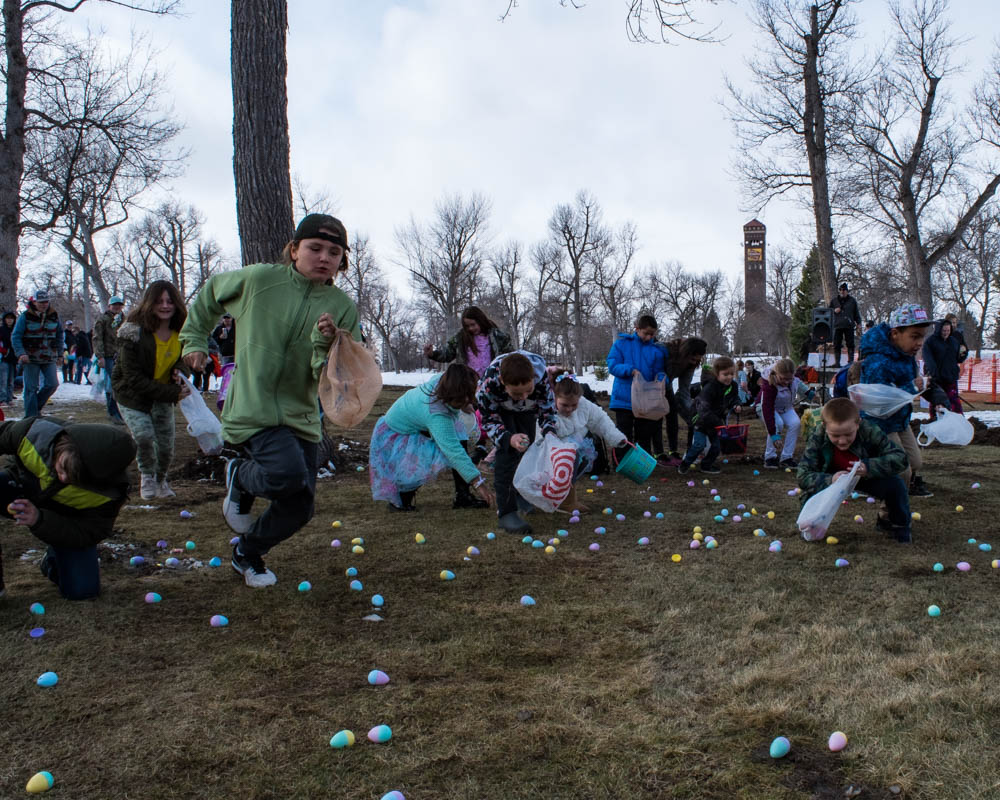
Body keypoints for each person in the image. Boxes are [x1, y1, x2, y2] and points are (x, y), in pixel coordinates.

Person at [180, 213, 362, 589]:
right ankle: (240, 478)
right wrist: (195, 340)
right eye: (314, 248)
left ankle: (246, 553)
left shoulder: (342, 307)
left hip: (303, 415)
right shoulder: (259, 280)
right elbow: (212, 292)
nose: (324, 257)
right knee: (286, 476)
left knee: (300, 507)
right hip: (253, 409)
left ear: (342, 260)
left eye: (334, 251)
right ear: (294, 250)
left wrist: (326, 344)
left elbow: (336, 376)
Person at [0, 417, 136, 600]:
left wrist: (39, 519)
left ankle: (52, 561)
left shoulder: (110, 493)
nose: (63, 478)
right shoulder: (34, 433)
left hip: (63, 516)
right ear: (62, 446)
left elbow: (89, 532)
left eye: (75, 478)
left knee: (82, 590)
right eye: (63, 467)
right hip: (15, 487)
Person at [370, 364, 495, 512]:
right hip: (398, 431)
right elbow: (454, 452)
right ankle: (400, 501)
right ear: (451, 395)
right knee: (425, 458)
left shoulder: (443, 381)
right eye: (463, 398)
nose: (468, 400)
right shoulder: (436, 414)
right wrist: (478, 482)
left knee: (459, 437)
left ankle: (463, 496)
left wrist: (463, 405)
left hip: (414, 422)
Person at [112, 281, 190, 502]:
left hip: (163, 394)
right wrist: (173, 393)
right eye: (159, 301)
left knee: (165, 445)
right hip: (132, 395)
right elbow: (133, 379)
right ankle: (147, 476)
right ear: (149, 303)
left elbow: (184, 359)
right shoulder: (133, 333)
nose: (165, 306)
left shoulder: (182, 330)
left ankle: (161, 479)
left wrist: (180, 371)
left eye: (169, 301)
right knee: (145, 436)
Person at [797, 397, 911, 543]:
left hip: (865, 476)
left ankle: (898, 525)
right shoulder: (817, 437)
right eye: (835, 435)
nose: (842, 441)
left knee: (896, 485)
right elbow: (803, 475)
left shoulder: (870, 431)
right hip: (832, 479)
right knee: (811, 491)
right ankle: (810, 523)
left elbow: (901, 458)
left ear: (858, 424)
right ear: (825, 427)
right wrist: (830, 479)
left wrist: (869, 467)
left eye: (848, 434)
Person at [859, 304, 944, 497]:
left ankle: (889, 485)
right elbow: (880, 401)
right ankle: (889, 513)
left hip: (899, 420)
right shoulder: (877, 362)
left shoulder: (906, 357)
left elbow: (915, 383)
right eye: (915, 336)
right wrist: (914, 387)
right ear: (896, 333)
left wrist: (936, 396)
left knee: (915, 463)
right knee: (901, 469)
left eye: (922, 336)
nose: (920, 342)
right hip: (878, 423)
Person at [476, 350, 558, 536]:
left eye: (528, 391)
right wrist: (507, 438)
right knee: (508, 454)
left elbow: (547, 409)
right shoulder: (488, 385)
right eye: (516, 393)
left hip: (527, 412)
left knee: (526, 449)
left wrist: (549, 432)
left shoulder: (541, 378)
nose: (522, 396)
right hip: (501, 410)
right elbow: (488, 419)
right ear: (503, 382)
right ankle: (506, 512)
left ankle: (522, 494)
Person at [546, 370, 626, 512]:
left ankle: (566, 497)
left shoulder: (584, 404)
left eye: (574, 405)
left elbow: (600, 419)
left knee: (577, 464)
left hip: (576, 444)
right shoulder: (546, 407)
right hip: (550, 448)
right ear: (555, 396)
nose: (570, 409)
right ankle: (563, 499)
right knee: (567, 464)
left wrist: (616, 437)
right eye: (564, 405)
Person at [606, 314, 668, 457]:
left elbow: (659, 371)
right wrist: (630, 370)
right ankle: (621, 462)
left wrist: (661, 379)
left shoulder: (656, 351)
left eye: (652, 334)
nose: (649, 337)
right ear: (637, 328)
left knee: (644, 434)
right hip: (624, 399)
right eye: (646, 333)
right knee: (623, 433)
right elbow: (612, 365)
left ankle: (641, 462)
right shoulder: (621, 344)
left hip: (644, 401)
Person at [677, 356, 741, 475]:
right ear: (717, 374)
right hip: (701, 421)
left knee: (717, 446)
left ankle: (706, 465)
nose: (729, 377)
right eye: (725, 374)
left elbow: (734, 397)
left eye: (732, 374)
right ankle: (685, 463)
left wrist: (736, 404)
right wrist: (718, 422)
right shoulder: (710, 388)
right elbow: (704, 410)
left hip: (716, 421)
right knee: (699, 445)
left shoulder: (733, 386)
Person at [655, 336, 707, 463]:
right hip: (652, 387)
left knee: (672, 416)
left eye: (698, 360)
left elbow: (684, 389)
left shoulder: (690, 365)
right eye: (693, 358)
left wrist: (692, 411)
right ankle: (659, 453)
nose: (694, 362)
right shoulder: (665, 350)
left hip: (667, 388)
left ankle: (673, 451)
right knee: (656, 419)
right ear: (686, 353)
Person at [12, 290, 63, 418]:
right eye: (40, 302)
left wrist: (60, 354)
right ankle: (30, 417)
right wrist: (21, 353)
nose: (44, 304)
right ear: (34, 302)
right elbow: (16, 336)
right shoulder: (25, 316)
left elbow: (60, 335)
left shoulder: (54, 316)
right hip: (30, 358)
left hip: (49, 356)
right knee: (31, 388)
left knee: (52, 384)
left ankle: (36, 408)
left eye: (46, 301)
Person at [758, 357, 814, 469]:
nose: (786, 382)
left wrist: (808, 393)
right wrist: (774, 434)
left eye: (789, 379)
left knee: (795, 423)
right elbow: (767, 409)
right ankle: (770, 457)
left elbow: (798, 384)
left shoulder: (793, 379)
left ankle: (787, 457)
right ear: (776, 374)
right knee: (777, 423)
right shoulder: (769, 385)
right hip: (766, 408)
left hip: (786, 408)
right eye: (783, 379)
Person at [423, 306, 512, 377]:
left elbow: (510, 356)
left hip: (492, 381)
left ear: (481, 321)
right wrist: (432, 354)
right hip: (468, 382)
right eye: (467, 326)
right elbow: (447, 354)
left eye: (473, 325)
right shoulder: (460, 338)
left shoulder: (498, 336)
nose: (470, 328)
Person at [923, 318, 967, 416]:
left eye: (948, 330)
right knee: (938, 401)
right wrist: (934, 374)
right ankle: (935, 420)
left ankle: (958, 420)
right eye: (944, 331)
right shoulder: (930, 342)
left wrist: (963, 354)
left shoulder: (954, 342)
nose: (946, 333)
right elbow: (928, 360)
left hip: (950, 377)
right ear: (939, 329)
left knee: (954, 401)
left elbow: (958, 359)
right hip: (936, 378)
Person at [93, 296, 126, 423]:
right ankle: (113, 412)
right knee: (113, 383)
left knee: (120, 383)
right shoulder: (102, 320)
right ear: (109, 306)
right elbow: (97, 339)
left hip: (122, 356)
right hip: (108, 356)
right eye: (114, 305)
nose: (117, 307)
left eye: (119, 305)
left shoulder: (124, 319)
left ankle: (119, 411)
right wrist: (100, 356)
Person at [829, 282, 862, 367]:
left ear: (847, 291)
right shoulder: (834, 301)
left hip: (849, 325)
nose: (842, 291)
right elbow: (828, 312)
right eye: (841, 290)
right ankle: (837, 362)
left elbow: (856, 313)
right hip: (837, 325)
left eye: (844, 290)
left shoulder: (852, 301)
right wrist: (834, 311)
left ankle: (850, 362)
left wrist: (858, 323)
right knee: (837, 344)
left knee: (850, 344)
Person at [0, 311, 17, 403]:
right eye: (8, 318)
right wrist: (4, 351)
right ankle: (2, 399)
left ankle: (9, 399)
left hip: (14, 358)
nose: (9, 320)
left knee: (11, 380)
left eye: (11, 318)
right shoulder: (1, 330)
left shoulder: (16, 329)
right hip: (4, 358)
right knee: (3, 380)